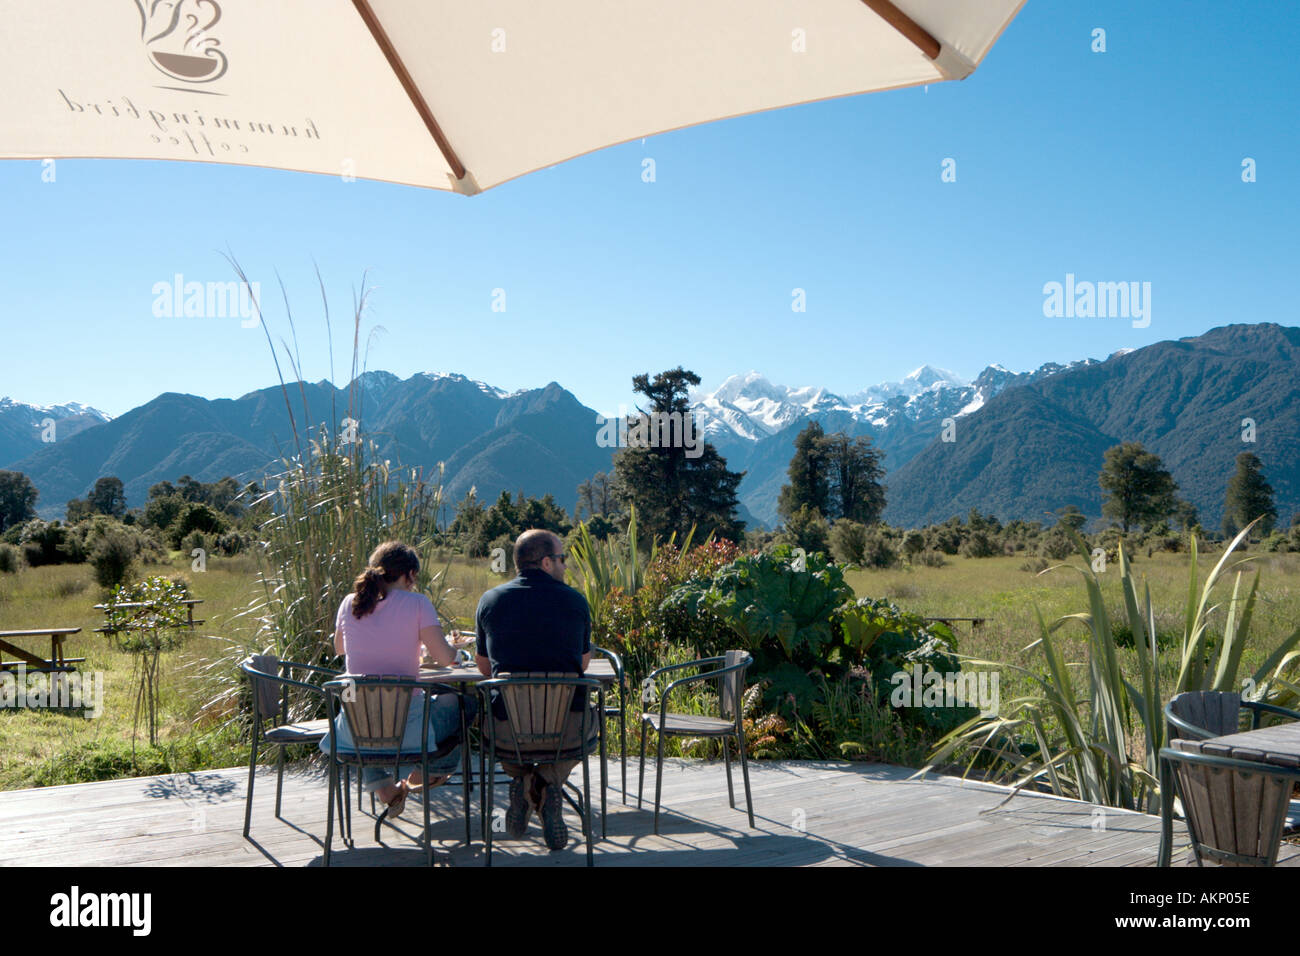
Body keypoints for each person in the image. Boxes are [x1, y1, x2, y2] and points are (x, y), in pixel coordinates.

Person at [321, 541, 474, 820]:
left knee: (367, 717)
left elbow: (340, 649)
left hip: (353, 733)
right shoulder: (417, 603)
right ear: (410, 575)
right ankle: (430, 772)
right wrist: (460, 655)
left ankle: (384, 788)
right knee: (464, 704)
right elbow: (444, 659)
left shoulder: (350, 602)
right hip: (409, 732)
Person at [475, 528, 598, 850]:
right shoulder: (575, 601)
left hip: (508, 731)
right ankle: (546, 782)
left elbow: (485, 669)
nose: (565, 566)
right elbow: (582, 665)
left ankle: (525, 782)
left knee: (491, 724)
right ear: (546, 562)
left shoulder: (490, 601)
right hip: (565, 729)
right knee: (590, 726)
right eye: (561, 559)